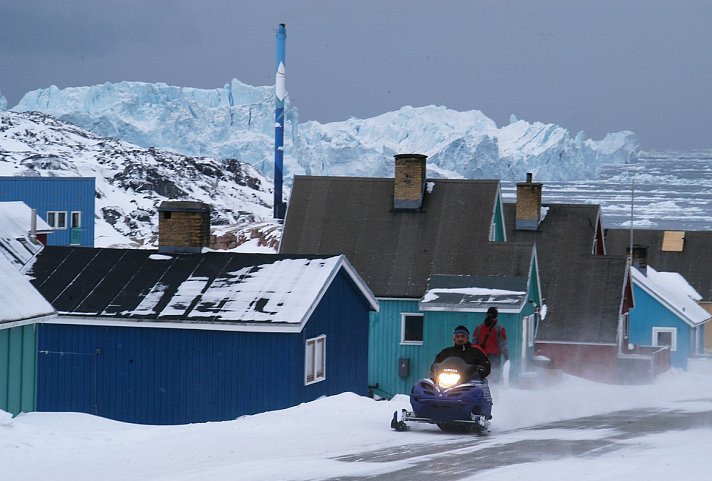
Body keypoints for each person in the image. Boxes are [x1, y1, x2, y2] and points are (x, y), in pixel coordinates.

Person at [472, 307, 509, 381]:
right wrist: (506, 355)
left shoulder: (479, 327)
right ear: (496, 316)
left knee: (481, 374)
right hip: (495, 356)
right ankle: (493, 390)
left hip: (481, 355)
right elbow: (502, 344)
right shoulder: (499, 329)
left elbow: (474, 342)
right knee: (494, 375)